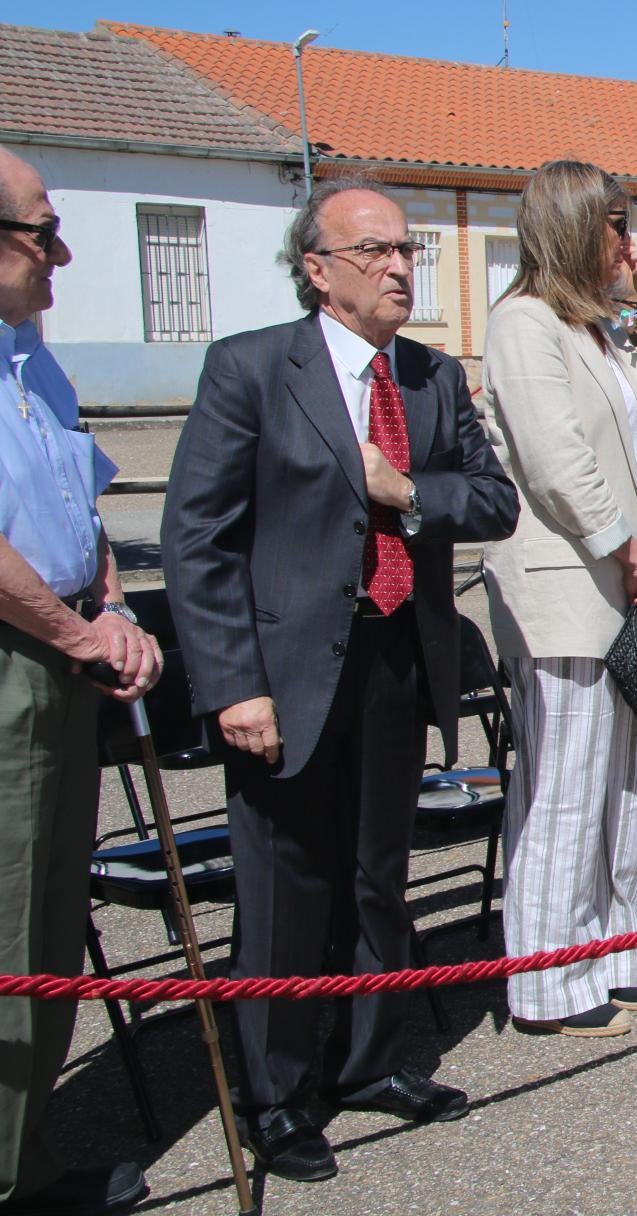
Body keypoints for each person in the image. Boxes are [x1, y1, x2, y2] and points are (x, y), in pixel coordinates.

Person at [162, 177, 519, 1182]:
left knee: (378, 875)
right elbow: (198, 540)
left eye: (407, 249)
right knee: (282, 890)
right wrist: (234, 682)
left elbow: (491, 501)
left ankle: (369, 1061)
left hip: (399, 657)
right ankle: (276, 1097)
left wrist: (405, 491)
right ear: (318, 271)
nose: (402, 268)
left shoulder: (432, 378)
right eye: (377, 252)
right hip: (284, 673)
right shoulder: (250, 369)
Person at [479, 161, 637, 1032]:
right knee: (567, 783)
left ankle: (613, 946)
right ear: (575, 226)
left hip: (626, 584)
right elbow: (553, 458)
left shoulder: (599, 331)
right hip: (573, 584)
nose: (631, 244)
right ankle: (545, 980)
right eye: (618, 227)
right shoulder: (524, 323)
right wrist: (628, 549)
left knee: (624, 782)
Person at [0, 146, 160, 1216]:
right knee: (7, 926)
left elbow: (83, 499)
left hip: (61, 645)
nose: (62, 251)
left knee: (50, 921)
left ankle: (28, 1161)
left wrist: (109, 604)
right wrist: (75, 629)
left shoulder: (33, 358)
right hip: (19, 651)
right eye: (41, 231)